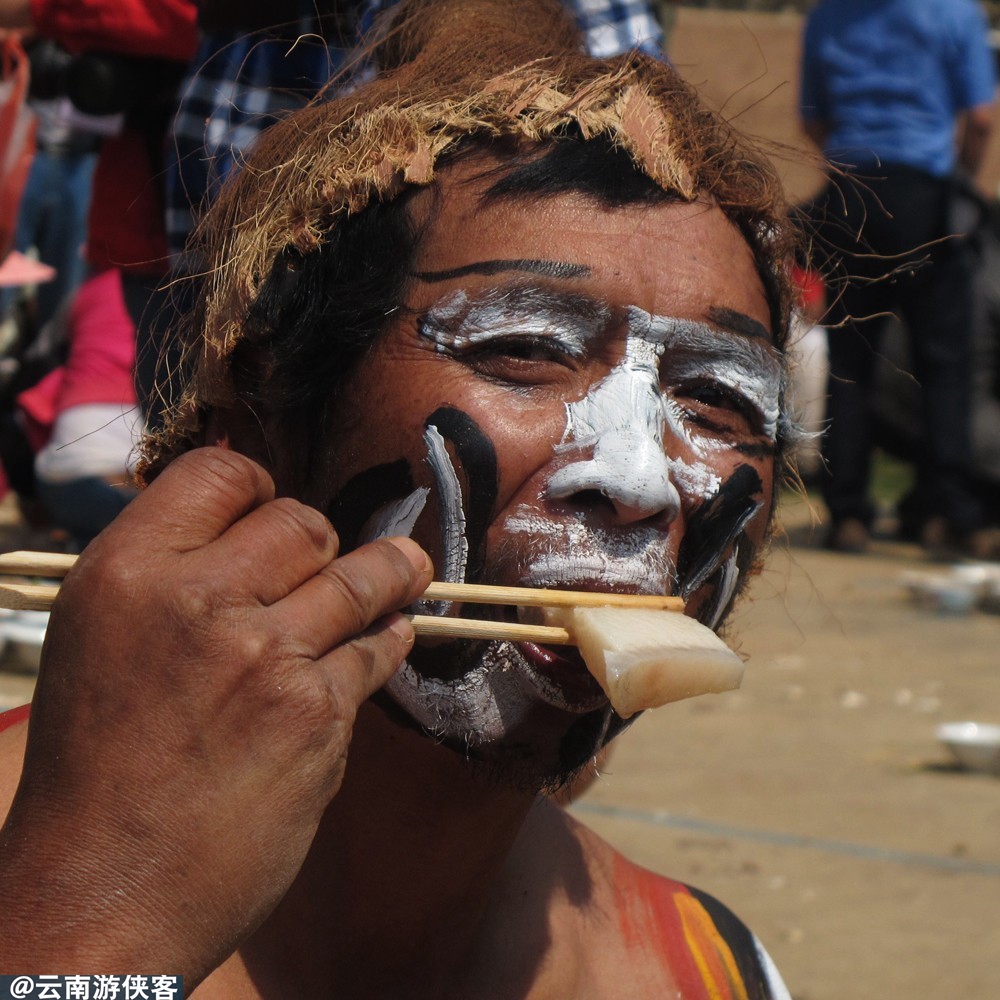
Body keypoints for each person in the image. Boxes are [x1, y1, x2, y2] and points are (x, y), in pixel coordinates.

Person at [0, 1, 796, 995]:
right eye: (525, 353)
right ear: (258, 423)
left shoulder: (706, 971)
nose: (635, 481)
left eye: (716, 401)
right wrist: (84, 946)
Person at [799, 0, 998, 557]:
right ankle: (949, 511)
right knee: (946, 366)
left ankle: (848, 514)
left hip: (852, 195)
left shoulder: (828, 15)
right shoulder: (954, 12)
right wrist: (960, 180)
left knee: (851, 363)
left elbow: (813, 119)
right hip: (927, 197)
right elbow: (979, 118)